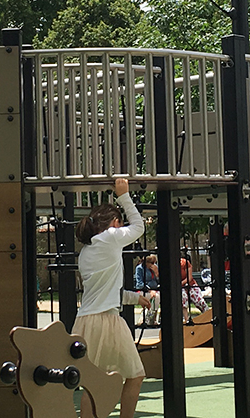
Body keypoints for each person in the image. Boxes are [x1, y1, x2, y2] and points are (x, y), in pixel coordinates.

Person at [75, 177, 147, 418]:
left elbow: (107, 292)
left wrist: (135, 299)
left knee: (93, 383)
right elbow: (139, 227)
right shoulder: (110, 238)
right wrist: (123, 196)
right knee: (135, 376)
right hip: (107, 320)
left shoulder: (86, 251)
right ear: (114, 223)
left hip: (86, 321)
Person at [133, 254, 161, 326]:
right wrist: (149, 290)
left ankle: (152, 319)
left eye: (155, 263)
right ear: (146, 262)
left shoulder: (155, 268)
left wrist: (157, 273)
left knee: (160, 295)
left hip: (155, 289)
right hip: (143, 290)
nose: (153, 265)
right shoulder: (140, 268)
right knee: (156, 297)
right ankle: (148, 319)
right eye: (152, 263)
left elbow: (159, 281)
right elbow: (139, 283)